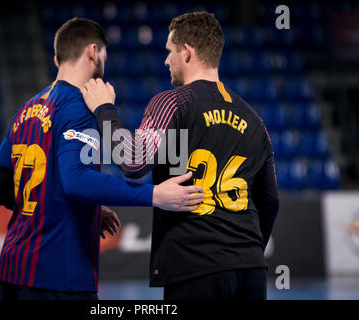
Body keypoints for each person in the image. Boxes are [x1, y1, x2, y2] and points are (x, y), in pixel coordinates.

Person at [0, 17, 205, 300]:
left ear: (57, 59)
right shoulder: (80, 106)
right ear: (92, 51)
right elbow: (75, 180)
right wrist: (154, 194)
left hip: (13, 270)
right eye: (104, 53)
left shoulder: (25, 110)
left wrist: (76, 208)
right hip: (57, 275)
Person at [81, 12, 280, 300]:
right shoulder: (255, 119)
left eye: (169, 51)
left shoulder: (173, 102)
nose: (166, 60)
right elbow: (270, 200)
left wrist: (104, 109)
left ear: (186, 51)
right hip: (250, 268)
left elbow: (132, 162)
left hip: (194, 265)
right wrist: (245, 251)